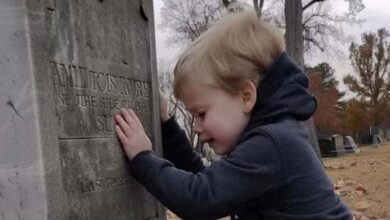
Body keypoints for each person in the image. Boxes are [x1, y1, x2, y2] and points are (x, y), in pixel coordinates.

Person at [114, 11, 352, 220]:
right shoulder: (270, 136)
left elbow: (199, 199)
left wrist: (143, 158)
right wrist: (166, 125)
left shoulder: (271, 144)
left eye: (201, 113)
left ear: (246, 97)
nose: (196, 127)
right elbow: (207, 180)